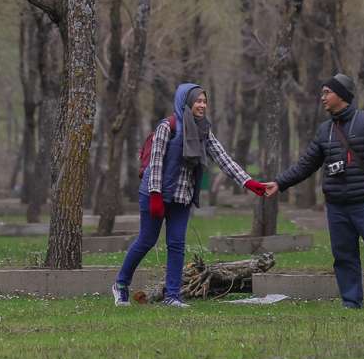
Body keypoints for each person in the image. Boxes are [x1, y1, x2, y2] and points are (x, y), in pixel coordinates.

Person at [266, 73, 364, 311]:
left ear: (342, 95)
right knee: (344, 256)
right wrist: (279, 183)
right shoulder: (325, 130)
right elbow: (306, 164)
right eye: (322, 92)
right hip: (337, 206)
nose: (322, 97)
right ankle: (351, 302)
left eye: (327, 92)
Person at [113, 82, 269, 307]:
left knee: (176, 244)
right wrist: (155, 195)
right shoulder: (167, 127)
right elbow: (156, 163)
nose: (202, 105)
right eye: (198, 101)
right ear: (185, 103)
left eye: (205, 101)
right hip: (156, 194)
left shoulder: (203, 130)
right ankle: (120, 284)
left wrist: (249, 182)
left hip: (181, 197)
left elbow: (223, 159)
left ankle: (172, 296)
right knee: (147, 240)